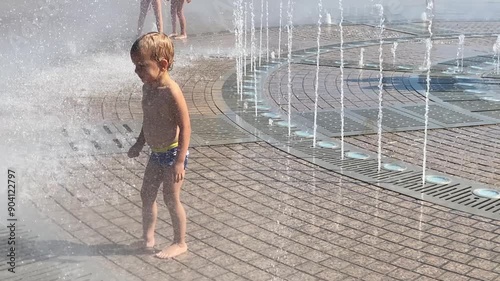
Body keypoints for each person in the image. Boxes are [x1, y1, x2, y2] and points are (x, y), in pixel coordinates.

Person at [128, 32, 191, 259]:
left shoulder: (171, 92)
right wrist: (138, 143)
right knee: (146, 194)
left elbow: (186, 127)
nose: (137, 72)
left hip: (173, 154)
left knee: (170, 198)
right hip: (156, 152)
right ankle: (148, 238)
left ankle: (180, 242)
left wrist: (180, 162)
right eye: (135, 66)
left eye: (141, 66)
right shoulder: (148, 87)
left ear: (163, 64)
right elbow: (148, 120)